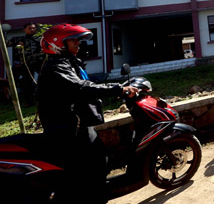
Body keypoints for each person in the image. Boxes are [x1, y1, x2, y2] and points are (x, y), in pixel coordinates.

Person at [36, 24, 139, 203]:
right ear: (57, 44)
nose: (78, 43)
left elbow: (86, 86)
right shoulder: (57, 66)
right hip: (65, 128)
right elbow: (80, 87)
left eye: (78, 39)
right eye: (73, 40)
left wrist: (112, 89)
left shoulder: (67, 62)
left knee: (96, 162)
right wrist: (118, 89)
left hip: (75, 123)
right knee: (91, 165)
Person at [6, 22, 45, 104]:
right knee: (27, 83)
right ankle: (29, 101)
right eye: (29, 28)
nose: (32, 30)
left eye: (33, 28)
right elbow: (6, 43)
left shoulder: (40, 39)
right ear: (25, 30)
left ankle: (45, 98)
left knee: (45, 80)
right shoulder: (19, 39)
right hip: (26, 64)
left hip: (39, 63)